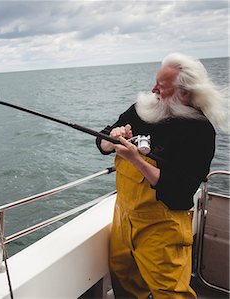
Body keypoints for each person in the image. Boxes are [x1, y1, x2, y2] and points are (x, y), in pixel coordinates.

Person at [96, 53, 228, 299]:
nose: (153, 89)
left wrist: (136, 159)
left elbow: (179, 191)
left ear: (185, 93)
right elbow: (101, 140)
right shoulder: (141, 109)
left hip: (162, 226)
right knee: (124, 286)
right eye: (156, 81)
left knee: (171, 292)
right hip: (123, 218)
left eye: (162, 86)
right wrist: (112, 139)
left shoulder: (199, 131)